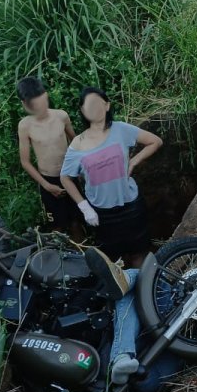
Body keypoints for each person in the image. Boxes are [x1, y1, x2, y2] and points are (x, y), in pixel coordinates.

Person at [60, 87, 163, 263]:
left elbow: (155, 141)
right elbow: (65, 178)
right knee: (113, 261)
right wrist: (85, 207)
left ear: (107, 105)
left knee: (139, 255)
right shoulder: (78, 143)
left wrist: (134, 161)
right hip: (101, 214)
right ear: (83, 111)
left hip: (130, 206)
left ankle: (144, 281)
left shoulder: (121, 129)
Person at [85, 245, 178, 385]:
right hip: (149, 370)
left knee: (133, 286)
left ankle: (121, 357)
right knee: (146, 278)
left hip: (140, 371)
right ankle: (125, 279)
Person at [17, 76, 79, 233]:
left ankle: (81, 245)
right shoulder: (25, 126)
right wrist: (46, 185)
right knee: (57, 226)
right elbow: (25, 162)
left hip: (69, 175)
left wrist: (80, 169)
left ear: (46, 95)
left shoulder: (61, 116)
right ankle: (61, 247)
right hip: (48, 180)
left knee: (77, 221)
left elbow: (75, 142)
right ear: (24, 104)